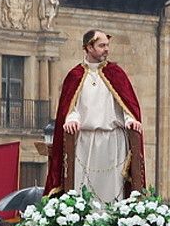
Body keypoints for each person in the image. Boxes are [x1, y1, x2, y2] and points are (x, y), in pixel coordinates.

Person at [45, 29, 144, 201]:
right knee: (84, 188)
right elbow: (69, 108)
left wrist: (130, 120)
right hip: (85, 141)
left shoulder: (116, 73)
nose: (106, 49)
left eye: (107, 45)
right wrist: (71, 119)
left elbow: (128, 106)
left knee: (113, 190)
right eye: (102, 45)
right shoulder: (74, 76)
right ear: (89, 47)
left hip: (113, 141)